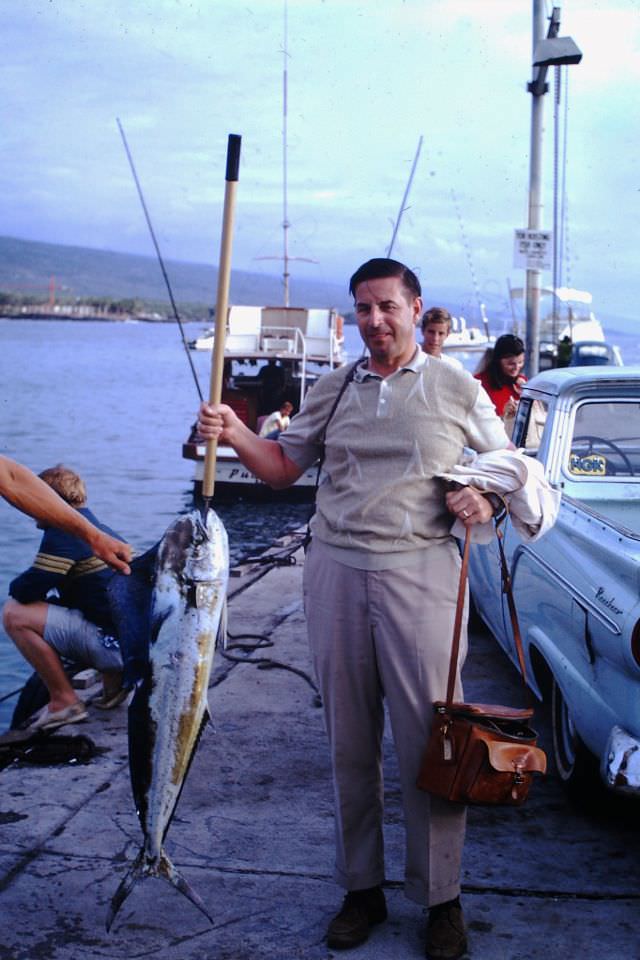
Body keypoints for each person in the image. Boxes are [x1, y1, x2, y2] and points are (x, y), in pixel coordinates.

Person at [197, 257, 512, 959]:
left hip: (420, 574)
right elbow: (282, 470)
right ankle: (360, 888)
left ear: (416, 308)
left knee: (433, 743)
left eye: (387, 307)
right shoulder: (335, 387)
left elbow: (510, 466)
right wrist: (235, 432)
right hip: (335, 570)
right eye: (362, 309)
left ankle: (441, 898)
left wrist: (485, 496)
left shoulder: (454, 385)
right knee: (350, 742)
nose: (374, 321)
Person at [2, 465, 128, 732]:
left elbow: (29, 588)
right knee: (93, 602)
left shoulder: (62, 532)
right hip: (132, 647)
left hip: (113, 649)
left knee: (14, 614)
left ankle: (64, 701)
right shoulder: (102, 529)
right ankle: (113, 684)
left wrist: (16, 586)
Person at [0, 455, 131, 574]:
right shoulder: (106, 533)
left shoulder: (60, 535)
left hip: (101, 599)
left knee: (22, 600)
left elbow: (35, 583)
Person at [474, 334, 526, 420]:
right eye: (511, 364)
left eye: (520, 362)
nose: (516, 368)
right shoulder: (479, 383)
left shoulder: (521, 384)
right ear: (498, 361)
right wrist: (502, 415)